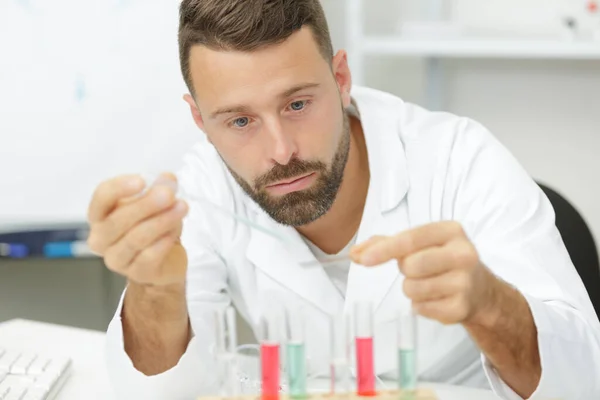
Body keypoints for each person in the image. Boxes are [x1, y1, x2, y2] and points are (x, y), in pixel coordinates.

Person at [87, 1, 600, 399]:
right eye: (240, 121)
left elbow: (586, 380)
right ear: (201, 121)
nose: (280, 151)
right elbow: (156, 392)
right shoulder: (201, 189)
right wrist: (155, 288)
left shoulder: (460, 160)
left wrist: (489, 305)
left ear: (341, 79)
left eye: (298, 103)